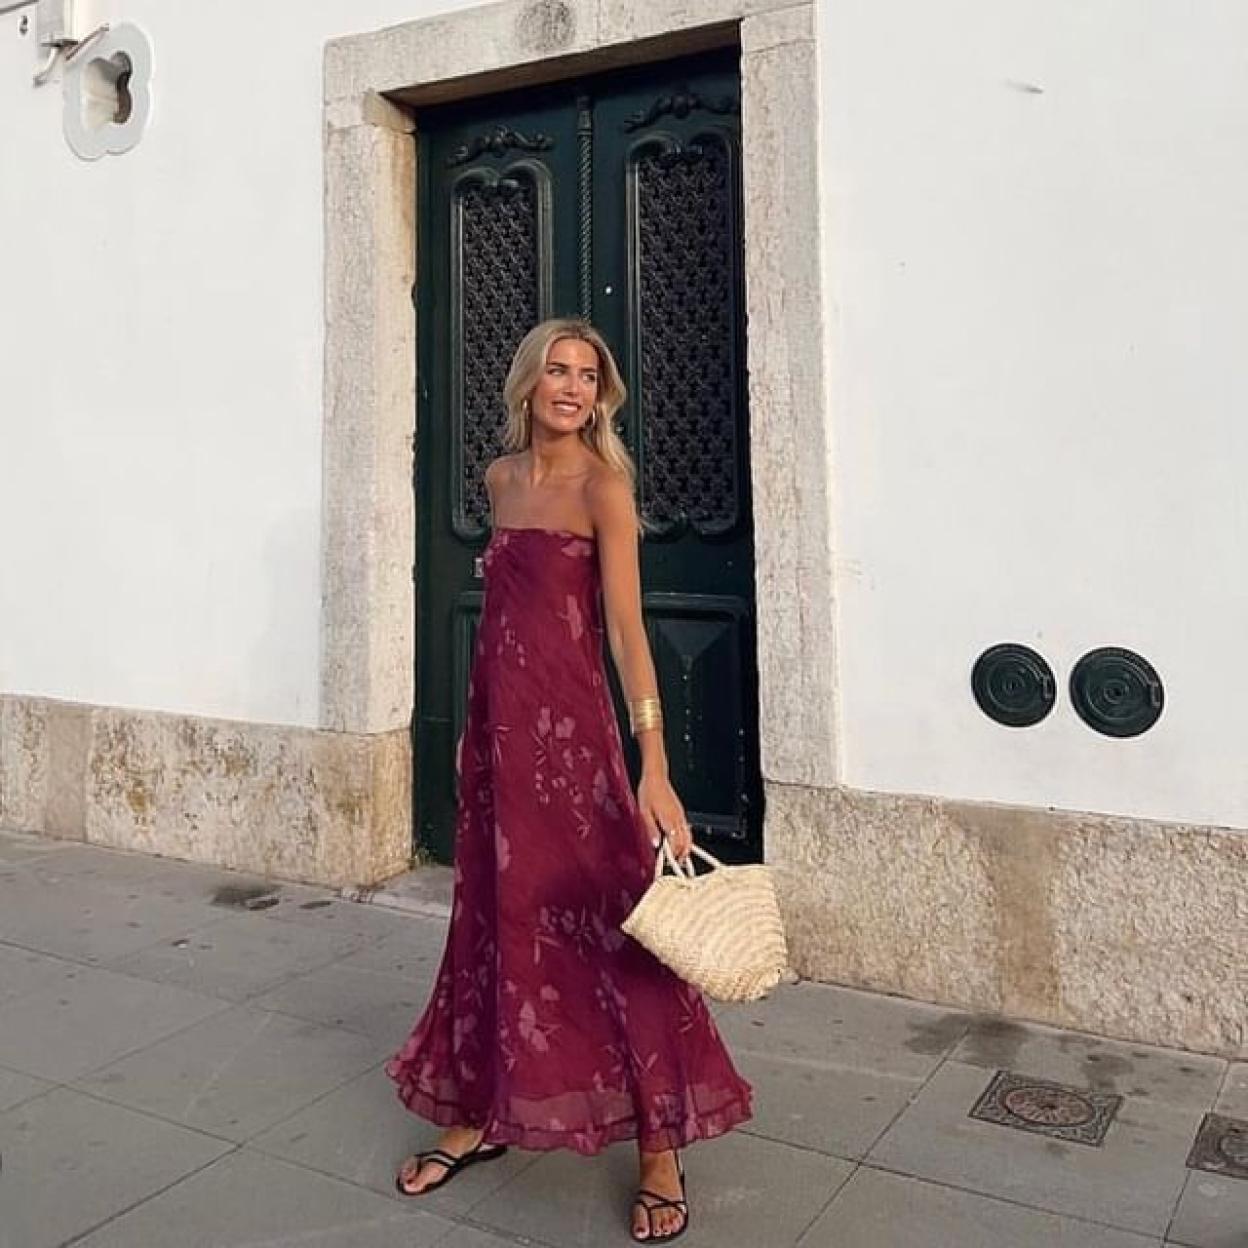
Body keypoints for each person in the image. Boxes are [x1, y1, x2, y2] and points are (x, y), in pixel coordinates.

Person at [387, 317, 753, 1242]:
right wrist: (475, 741)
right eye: (558, 370)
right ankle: (484, 1113)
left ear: (602, 395)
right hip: (499, 746)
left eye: (589, 376)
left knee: (615, 932)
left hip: (578, 748)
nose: (573, 388)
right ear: (528, 382)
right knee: (496, 920)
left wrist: (656, 766)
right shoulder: (502, 480)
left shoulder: (605, 487)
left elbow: (628, 632)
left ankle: (661, 1147)